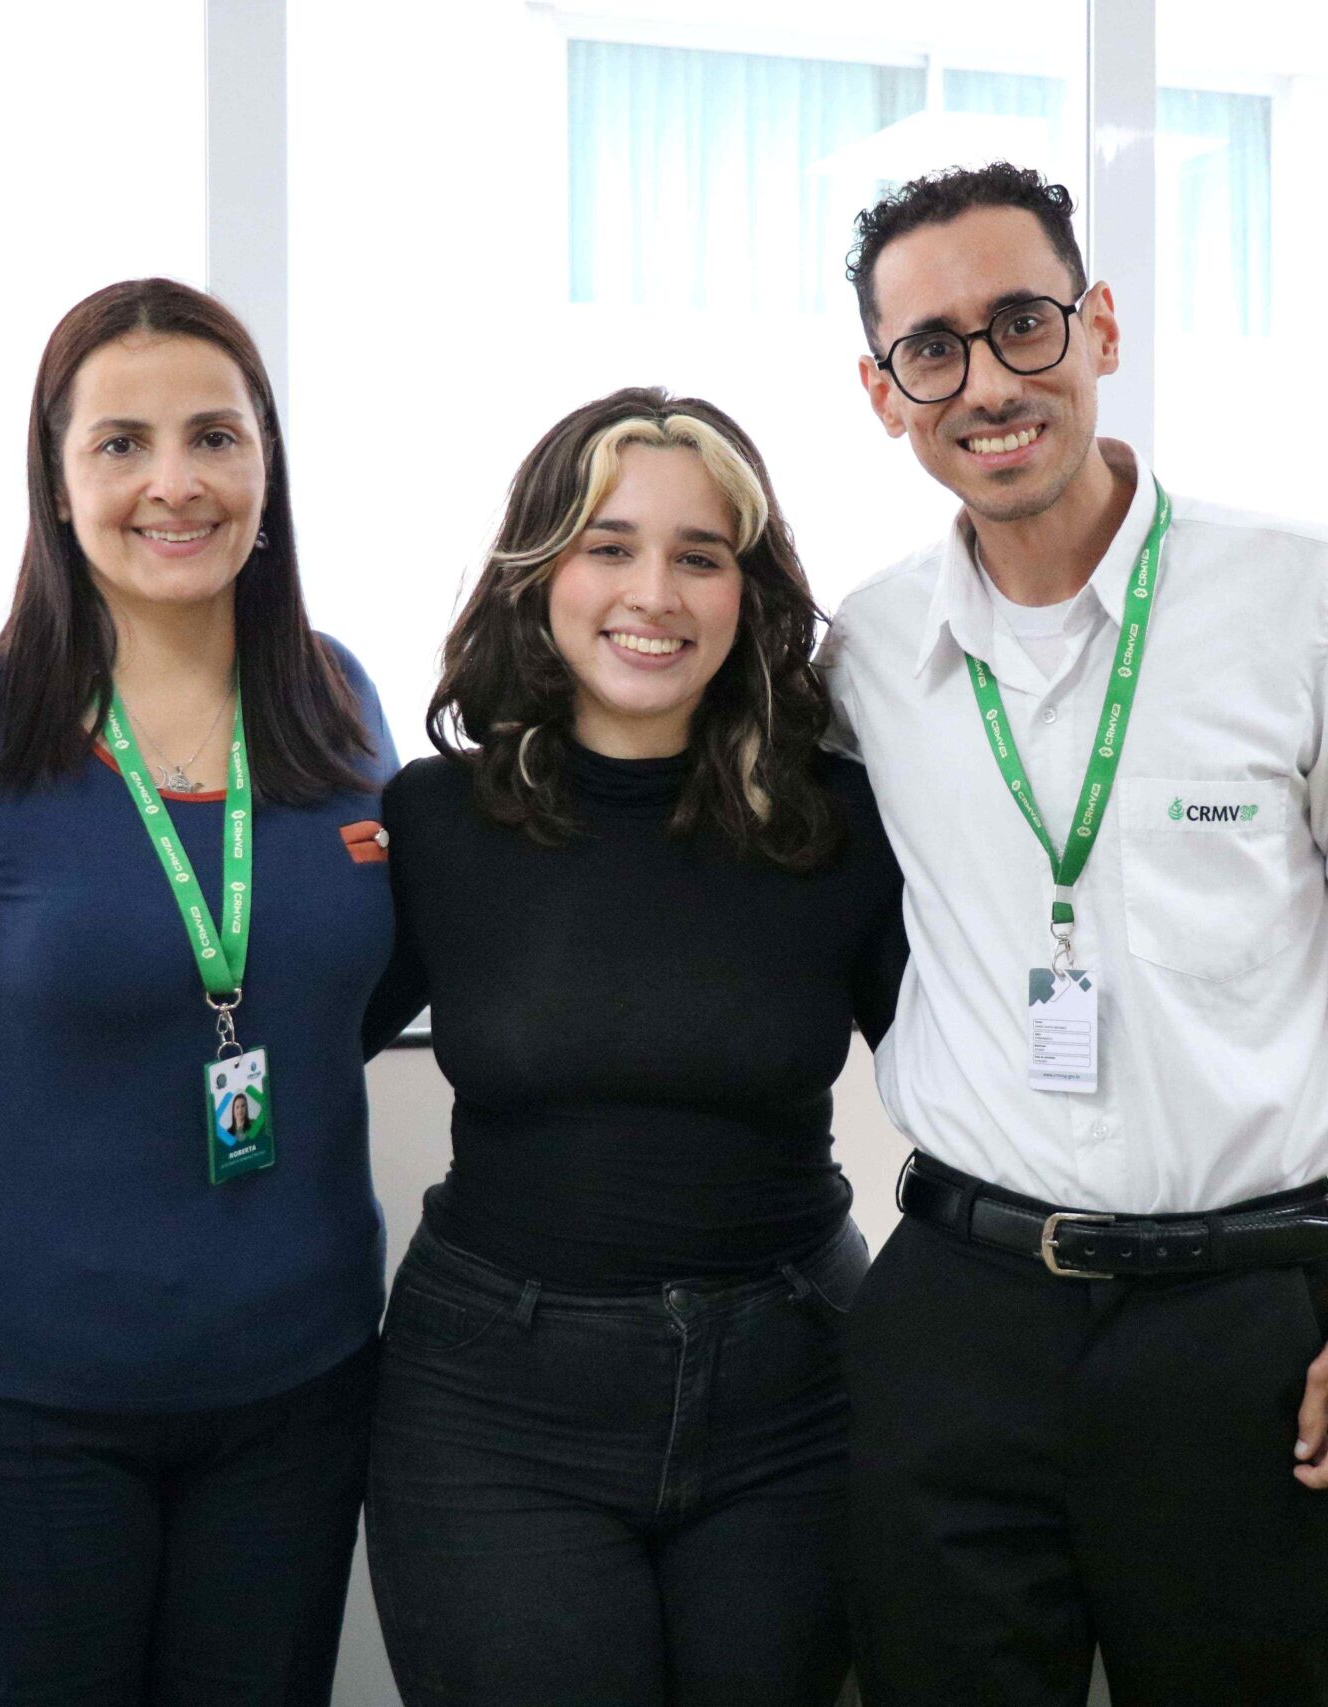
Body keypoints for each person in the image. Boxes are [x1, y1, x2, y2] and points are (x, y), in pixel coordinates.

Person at [819, 164, 1328, 1706]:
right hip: (958, 1312)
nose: (987, 381)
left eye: (1023, 323)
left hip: (1231, 1328)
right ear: (885, 394)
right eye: (934, 349)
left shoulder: (1302, 595)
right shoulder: (866, 652)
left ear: (1101, 325)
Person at [0, 277, 395, 1704]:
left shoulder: (339, 706)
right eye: (121, 444)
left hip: (300, 1396)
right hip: (31, 1419)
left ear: (267, 462)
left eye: (215, 436)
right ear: (58, 481)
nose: (176, 483)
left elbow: (338, 998)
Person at [358, 387, 906, 1707]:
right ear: (540, 572)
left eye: (699, 555)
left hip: (797, 1399)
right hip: (496, 1411)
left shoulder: (843, 815)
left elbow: (987, 1076)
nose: (651, 592)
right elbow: (275, 1036)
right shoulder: (432, 820)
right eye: (609, 547)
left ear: (747, 593)